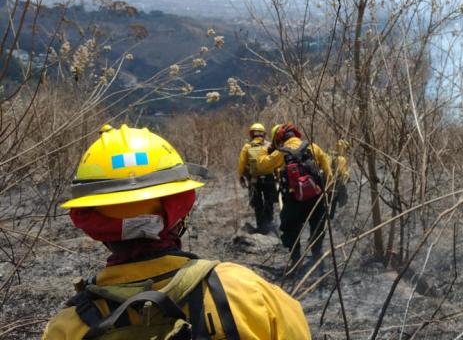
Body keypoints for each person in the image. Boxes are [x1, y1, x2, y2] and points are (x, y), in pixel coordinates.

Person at [42, 124, 311, 340]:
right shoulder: (250, 293)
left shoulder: (67, 327)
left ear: (93, 223)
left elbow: (244, 166)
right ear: (181, 209)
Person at [259, 123, 332, 266]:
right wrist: (327, 190)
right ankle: (317, 255)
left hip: (293, 200)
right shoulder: (313, 147)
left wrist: (266, 150)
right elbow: (327, 169)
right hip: (315, 197)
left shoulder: (281, 152)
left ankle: (296, 259)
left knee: (289, 228)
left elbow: (262, 166)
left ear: (280, 138)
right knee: (317, 225)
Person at [237, 122, 277, 233]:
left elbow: (241, 163)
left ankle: (261, 227)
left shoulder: (247, 147)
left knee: (257, 204)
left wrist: (241, 176)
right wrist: (278, 175)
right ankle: (269, 224)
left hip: (254, 180)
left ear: (251, 134)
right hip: (269, 177)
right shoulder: (269, 146)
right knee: (269, 202)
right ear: (263, 134)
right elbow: (276, 161)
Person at [329, 139, 351, 220]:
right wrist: (348, 175)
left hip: (328, 184)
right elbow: (343, 174)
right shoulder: (341, 159)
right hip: (336, 185)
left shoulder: (330, 155)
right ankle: (331, 217)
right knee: (334, 201)